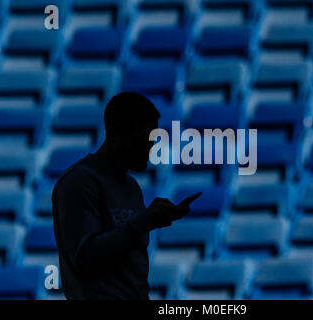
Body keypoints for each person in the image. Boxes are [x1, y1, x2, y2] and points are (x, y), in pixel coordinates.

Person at [51, 92, 201, 300]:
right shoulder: (80, 183)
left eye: (152, 140)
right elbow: (86, 258)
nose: (149, 148)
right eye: (140, 140)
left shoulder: (131, 187)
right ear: (113, 135)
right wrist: (146, 220)